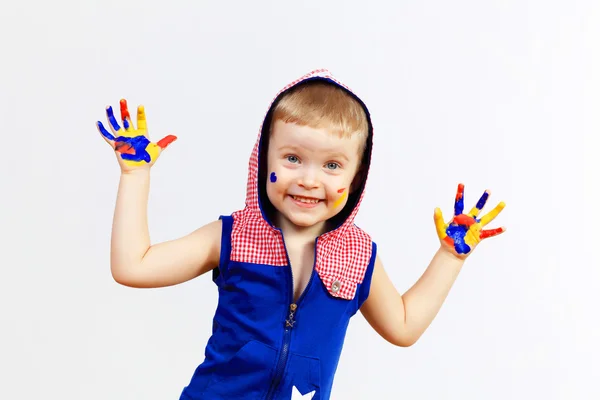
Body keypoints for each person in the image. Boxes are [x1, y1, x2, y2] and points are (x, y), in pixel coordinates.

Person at [96, 69, 506, 400]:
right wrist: (135, 176)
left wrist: (451, 257)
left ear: (356, 177)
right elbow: (133, 267)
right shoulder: (233, 235)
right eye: (292, 158)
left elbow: (403, 326)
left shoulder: (357, 255)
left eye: (332, 166)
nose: (309, 179)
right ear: (262, 160)